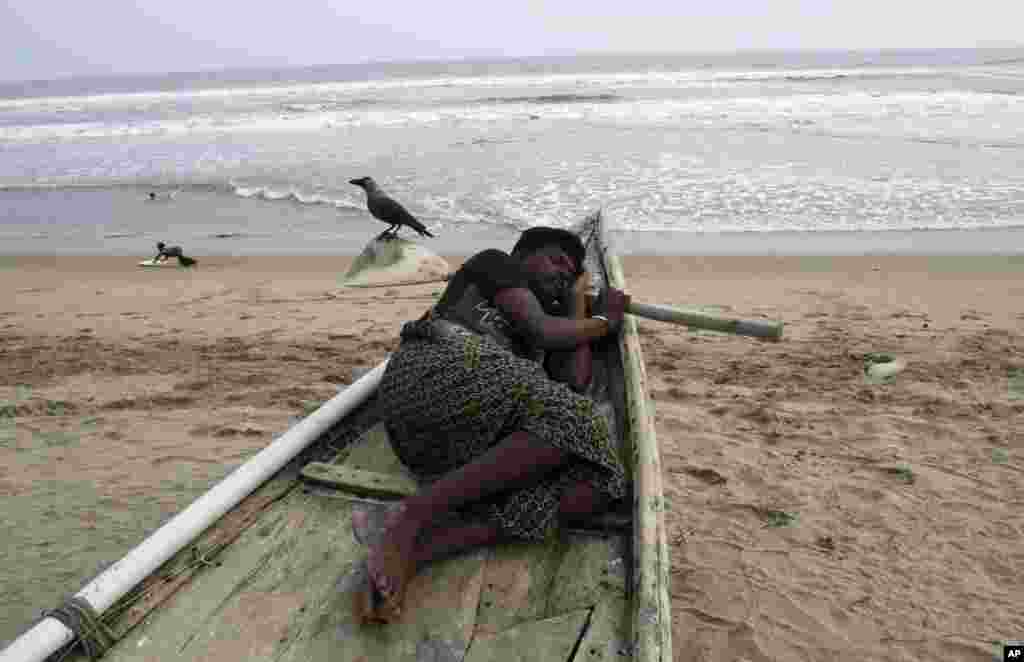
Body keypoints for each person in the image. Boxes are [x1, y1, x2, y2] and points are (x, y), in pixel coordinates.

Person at [355, 226, 631, 624]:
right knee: (578, 419)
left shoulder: (556, 321)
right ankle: (414, 515)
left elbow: (575, 383)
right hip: (432, 376)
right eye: (556, 261)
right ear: (523, 255)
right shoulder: (496, 264)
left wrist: (576, 307)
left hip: (459, 444)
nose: (561, 275)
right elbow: (539, 330)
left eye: (570, 275)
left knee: (602, 483)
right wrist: (604, 320)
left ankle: (422, 551)